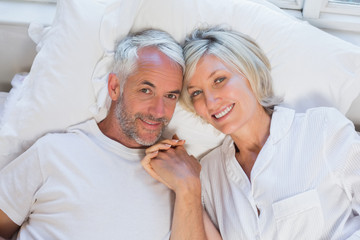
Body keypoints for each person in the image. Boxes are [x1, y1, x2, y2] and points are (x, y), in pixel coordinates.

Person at [142, 26, 360, 239]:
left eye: (219, 80)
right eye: (197, 93)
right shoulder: (208, 172)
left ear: (251, 74)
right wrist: (186, 187)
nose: (210, 101)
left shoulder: (322, 130)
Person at [0, 29, 208, 240]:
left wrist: (189, 188)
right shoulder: (53, 152)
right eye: (146, 90)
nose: (159, 111)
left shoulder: (179, 175)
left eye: (170, 96)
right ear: (115, 87)